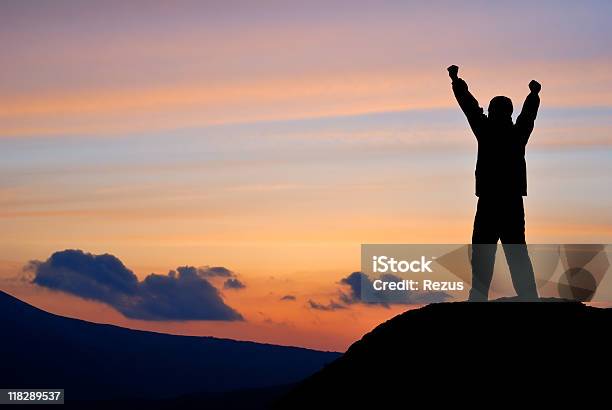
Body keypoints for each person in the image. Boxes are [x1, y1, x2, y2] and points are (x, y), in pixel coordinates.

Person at [447, 65, 540, 301]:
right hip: (508, 201)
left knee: (485, 251)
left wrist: (456, 81)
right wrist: (533, 95)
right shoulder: (516, 133)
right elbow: (527, 115)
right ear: (508, 113)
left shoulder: (487, 130)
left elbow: (468, 105)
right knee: (512, 250)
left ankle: (480, 295)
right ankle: (526, 295)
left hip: (492, 201)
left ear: (492, 111)